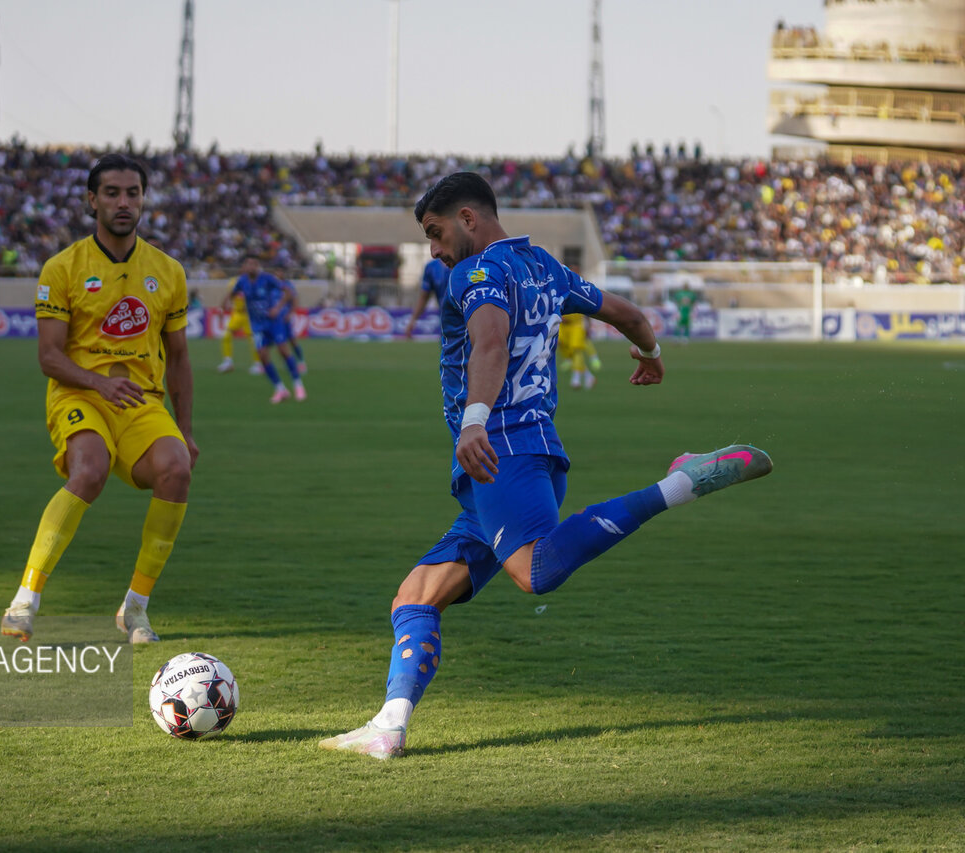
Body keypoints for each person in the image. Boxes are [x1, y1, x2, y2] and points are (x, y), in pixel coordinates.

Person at [320, 172, 772, 760]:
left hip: (500, 448)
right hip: (526, 453)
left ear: (469, 219)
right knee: (416, 595)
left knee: (535, 572)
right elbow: (627, 312)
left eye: (435, 233)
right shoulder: (546, 268)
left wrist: (476, 419)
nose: (434, 250)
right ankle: (388, 727)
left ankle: (680, 482)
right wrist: (652, 354)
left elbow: (491, 339)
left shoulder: (475, 271)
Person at [0, 153, 198, 645]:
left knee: (176, 467)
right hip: (78, 392)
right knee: (88, 469)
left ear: (144, 199)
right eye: (112, 193)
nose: (123, 202)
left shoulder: (168, 271)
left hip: (139, 400)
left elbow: (178, 358)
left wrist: (186, 430)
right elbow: (49, 356)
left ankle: (136, 608)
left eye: (133, 193)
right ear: (92, 201)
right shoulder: (62, 267)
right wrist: (99, 382)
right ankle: (25, 599)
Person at [224, 256, 306, 403]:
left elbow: (288, 292)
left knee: (283, 350)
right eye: (248, 264)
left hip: (274, 321)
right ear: (244, 266)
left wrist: (277, 308)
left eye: (253, 264)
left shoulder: (267, 278)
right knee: (262, 356)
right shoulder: (242, 281)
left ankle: (298, 384)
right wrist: (225, 302)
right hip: (257, 325)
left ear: (258, 266)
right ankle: (280, 389)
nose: (251, 267)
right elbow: (232, 293)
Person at [216, 287, 262, 375]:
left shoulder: (252, 282)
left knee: (253, 339)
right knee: (226, 336)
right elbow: (229, 295)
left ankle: (258, 364)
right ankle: (227, 362)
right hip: (237, 314)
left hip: (249, 315)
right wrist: (221, 309)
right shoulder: (235, 282)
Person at [404, 257, 449, 339]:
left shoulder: (464, 262)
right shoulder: (431, 267)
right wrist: (413, 320)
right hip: (445, 321)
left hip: (465, 319)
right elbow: (424, 297)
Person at [557, 312, 600, 389]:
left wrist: (588, 326)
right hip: (562, 326)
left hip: (576, 325)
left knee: (576, 350)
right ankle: (589, 376)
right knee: (566, 349)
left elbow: (586, 311)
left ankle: (576, 379)